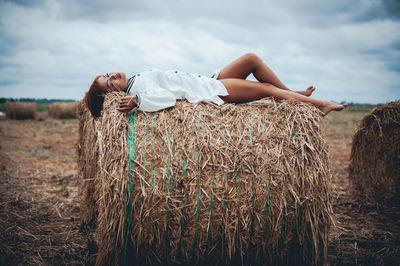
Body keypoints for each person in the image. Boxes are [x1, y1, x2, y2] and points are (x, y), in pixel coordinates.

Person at [85, 53, 347, 118]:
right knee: (266, 91)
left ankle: (292, 93)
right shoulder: (137, 91)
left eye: (108, 73)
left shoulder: (135, 79)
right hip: (210, 92)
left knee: (251, 59)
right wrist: (138, 102)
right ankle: (320, 105)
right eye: (109, 82)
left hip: (207, 79)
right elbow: (167, 100)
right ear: (113, 94)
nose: (113, 75)